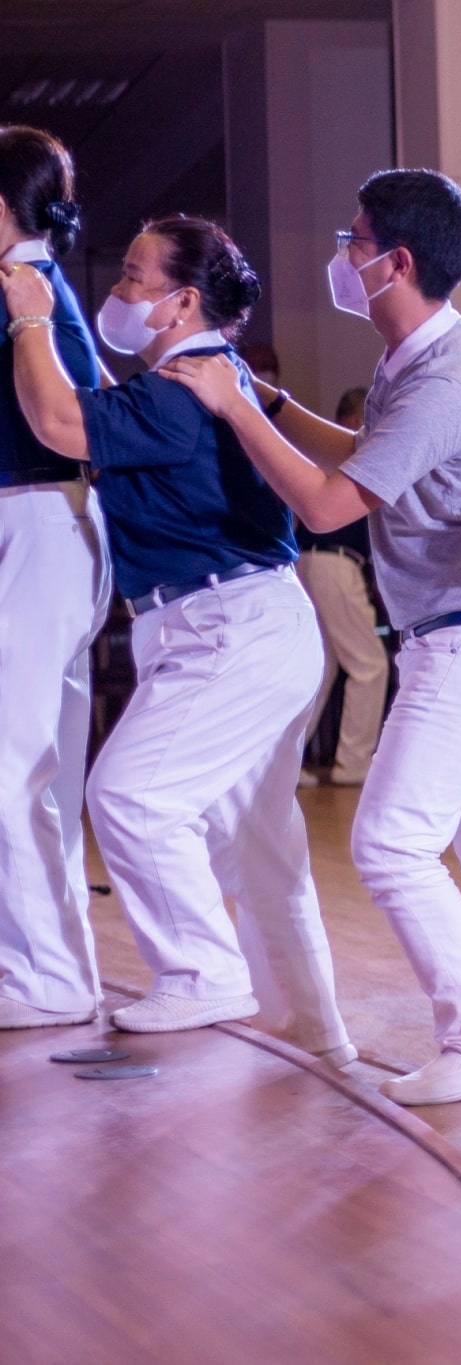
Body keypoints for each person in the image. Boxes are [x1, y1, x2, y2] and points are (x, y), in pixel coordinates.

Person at [166, 169, 461, 1110]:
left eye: (354, 243)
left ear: (397, 262)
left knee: (392, 843)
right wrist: (267, 400)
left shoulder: (436, 378)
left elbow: (323, 502)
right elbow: (362, 452)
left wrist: (233, 409)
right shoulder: (419, 356)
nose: (340, 258)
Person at [1, 215, 351, 1061]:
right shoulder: (204, 378)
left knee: (130, 795)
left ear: (183, 298)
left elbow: (56, 422)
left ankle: (202, 972)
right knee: (261, 849)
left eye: (132, 277)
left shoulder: (177, 388)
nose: (118, 293)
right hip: (235, 623)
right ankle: (312, 1030)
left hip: (227, 627)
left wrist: (32, 318)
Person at [0, 125, 111, 1031]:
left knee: (13, 760)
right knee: (40, 759)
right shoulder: (37, 279)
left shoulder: (22, 284)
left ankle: (46, 975)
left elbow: (62, 414)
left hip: (35, 517)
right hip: (57, 522)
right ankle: (53, 964)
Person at [294, 384, 388, 787]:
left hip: (309, 560)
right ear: (353, 420)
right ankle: (353, 763)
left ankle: (282, 762)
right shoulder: (352, 455)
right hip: (334, 561)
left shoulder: (329, 457)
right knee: (370, 664)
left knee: (324, 667)